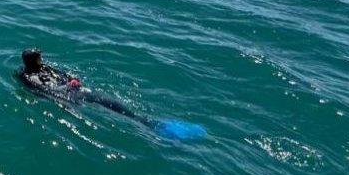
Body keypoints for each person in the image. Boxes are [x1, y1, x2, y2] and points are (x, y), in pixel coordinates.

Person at [17, 48, 207, 139]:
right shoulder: (24, 75)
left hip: (76, 91)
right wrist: (67, 90)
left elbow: (64, 75)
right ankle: (154, 128)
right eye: (40, 56)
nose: (43, 58)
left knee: (113, 104)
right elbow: (43, 91)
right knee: (109, 107)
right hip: (69, 97)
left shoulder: (44, 67)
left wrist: (71, 79)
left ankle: (150, 123)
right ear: (35, 60)